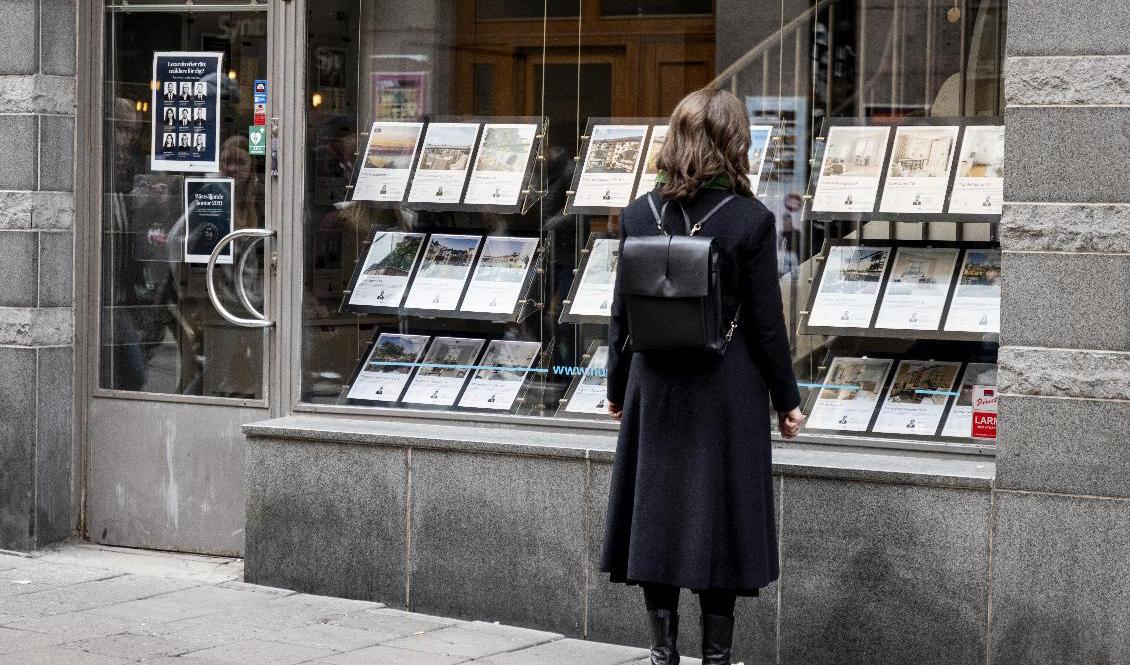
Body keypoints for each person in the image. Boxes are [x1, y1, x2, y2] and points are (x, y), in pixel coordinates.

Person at [600, 87, 806, 665]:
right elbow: (767, 325)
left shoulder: (639, 212)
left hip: (655, 386)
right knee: (721, 517)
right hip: (727, 387)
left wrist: (616, 389)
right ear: (735, 143)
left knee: (657, 514)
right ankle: (715, 658)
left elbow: (621, 317)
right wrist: (787, 400)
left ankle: (662, 653)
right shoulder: (751, 220)